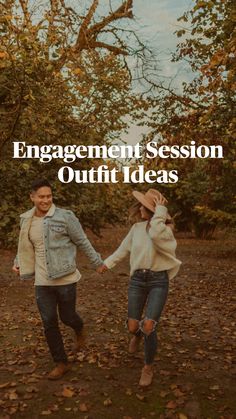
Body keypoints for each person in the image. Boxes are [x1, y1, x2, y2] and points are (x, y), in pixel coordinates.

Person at [12, 178, 106, 380]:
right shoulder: (26, 219)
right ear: (32, 197)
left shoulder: (65, 217)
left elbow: (82, 240)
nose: (46, 200)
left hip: (65, 278)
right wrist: (18, 261)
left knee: (67, 317)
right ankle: (61, 362)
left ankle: (79, 328)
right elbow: (24, 246)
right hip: (42, 282)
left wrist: (97, 262)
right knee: (48, 321)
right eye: (41, 196)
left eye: (49, 196)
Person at [102, 189, 181, 387]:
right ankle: (137, 336)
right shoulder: (136, 229)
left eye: (144, 206)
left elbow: (155, 233)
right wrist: (107, 263)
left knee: (148, 326)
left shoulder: (164, 231)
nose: (139, 208)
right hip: (137, 280)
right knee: (132, 326)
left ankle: (148, 367)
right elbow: (123, 249)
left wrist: (161, 212)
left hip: (158, 281)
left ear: (154, 211)